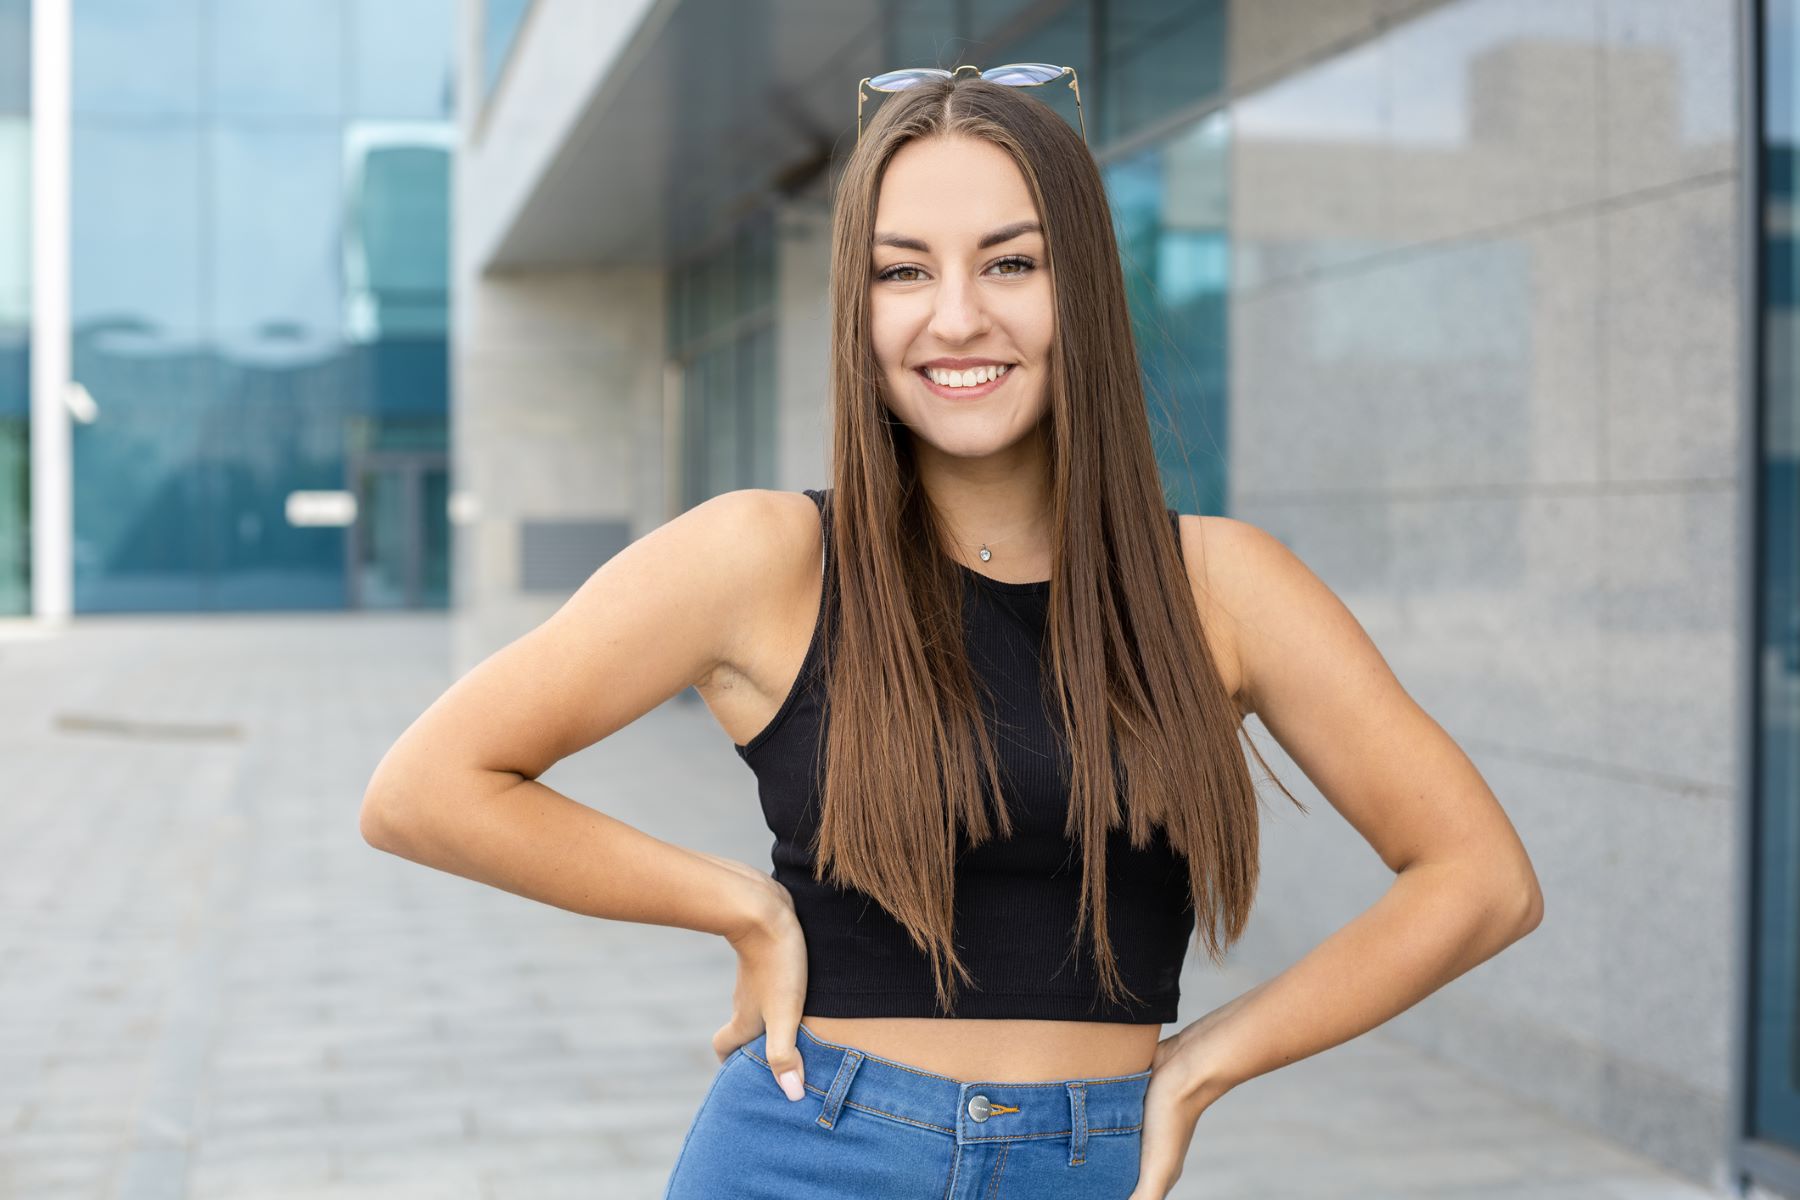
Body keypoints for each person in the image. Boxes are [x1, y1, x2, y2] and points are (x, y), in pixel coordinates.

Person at [359, 68, 1544, 1200]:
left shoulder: (1218, 587)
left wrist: (1207, 1062)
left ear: (1077, 284)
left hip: (1086, 1168)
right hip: (805, 1152)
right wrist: (737, 902)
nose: (958, 318)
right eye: (904, 272)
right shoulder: (764, 558)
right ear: (855, 307)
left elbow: (1480, 879)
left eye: (1011, 262)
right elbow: (425, 788)